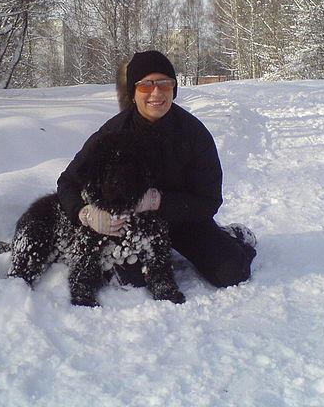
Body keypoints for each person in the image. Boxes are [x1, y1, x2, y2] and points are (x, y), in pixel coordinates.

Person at [57, 50, 256, 288]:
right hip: (133, 224)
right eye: (145, 85)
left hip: (183, 221)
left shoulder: (194, 134)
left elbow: (209, 201)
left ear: (174, 89)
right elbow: (67, 183)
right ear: (132, 93)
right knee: (135, 280)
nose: (156, 93)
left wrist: (158, 202)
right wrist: (85, 213)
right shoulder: (113, 134)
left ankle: (234, 238)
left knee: (231, 272)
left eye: (164, 84)